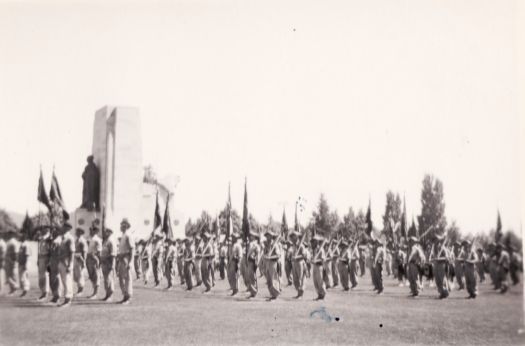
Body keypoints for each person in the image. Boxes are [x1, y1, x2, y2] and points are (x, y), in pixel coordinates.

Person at [117, 218, 135, 304]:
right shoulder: (123, 236)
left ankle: (128, 297)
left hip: (126, 259)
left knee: (127, 279)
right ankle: (124, 295)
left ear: (126, 226)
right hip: (121, 259)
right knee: (121, 279)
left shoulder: (128, 235)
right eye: (121, 224)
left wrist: (130, 262)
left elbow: (132, 249)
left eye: (123, 224)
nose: (121, 226)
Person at [58, 222, 75, 307]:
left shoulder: (69, 238)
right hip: (61, 261)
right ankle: (67, 299)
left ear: (68, 228)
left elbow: (72, 252)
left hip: (67, 262)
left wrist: (70, 264)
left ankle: (68, 300)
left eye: (64, 227)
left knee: (67, 280)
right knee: (64, 281)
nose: (62, 228)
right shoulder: (62, 238)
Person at [431, 234, 451, 299]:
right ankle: (441, 293)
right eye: (434, 240)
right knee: (437, 280)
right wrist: (433, 259)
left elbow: (447, 258)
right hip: (435, 264)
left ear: (439, 241)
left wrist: (439, 258)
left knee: (442, 279)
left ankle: (445, 292)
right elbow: (433, 257)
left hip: (441, 265)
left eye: (436, 240)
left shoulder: (442, 248)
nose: (435, 241)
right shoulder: (433, 248)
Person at [101, 227, 118, 302]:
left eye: (107, 232)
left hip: (109, 262)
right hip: (104, 262)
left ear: (110, 232)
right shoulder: (106, 241)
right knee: (106, 280)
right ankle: (107, 294)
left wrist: (111, 264)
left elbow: (113, 254)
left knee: (110, 279)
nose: (105, 233)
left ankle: (110, 295)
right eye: (105, 231)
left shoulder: (111, 241)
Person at [263, 229, 281, 301]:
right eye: (267, 236)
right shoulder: (266, 245)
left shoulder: (275, 245)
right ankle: (272, 294)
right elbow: (264, 253)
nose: (267, 237)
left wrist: (270, 257)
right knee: (268, 279)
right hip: (267, 263)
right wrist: (265, 256)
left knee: (273, 278)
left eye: (269, 236)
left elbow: (278, 255)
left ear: (271, 237)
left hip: (273, 263)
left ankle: (275, 294)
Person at [35, 226, 51, 300]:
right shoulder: (41, 237)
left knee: (45, 276)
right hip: (41, 257)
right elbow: (39, 249)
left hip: (46, 257)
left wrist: (49, 261)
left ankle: (45, 292)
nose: (44, 230)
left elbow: (50, 250)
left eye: (46, 229)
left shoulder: (49, 238)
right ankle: (43, 291)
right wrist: (38, 259)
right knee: (41, 276)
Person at [86, 225, 102, 299]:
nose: (90, 231)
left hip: (94, 258)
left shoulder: (97, 239)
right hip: (89, 258)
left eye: (92, 230)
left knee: (96, 276)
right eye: (90, 230)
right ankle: (93, 292)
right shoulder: (91, 239)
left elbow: (99, 251)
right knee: (91, 276)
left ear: (95, 231)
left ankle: (95, 293)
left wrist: (97, 260)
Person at [290, 231, 307, 299]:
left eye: (294, 237)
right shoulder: (293, 246)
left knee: (300, 278)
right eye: (292, 237)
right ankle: (298, 293)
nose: (292, 238)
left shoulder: (301, 246)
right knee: (295, 279)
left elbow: (304, 255)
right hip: (294, 263)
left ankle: (301, 294)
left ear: (297, 238)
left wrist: (296, 257)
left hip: (300, 263)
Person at [48, 226, 62, 303]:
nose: (53, 232)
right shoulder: (54, 240)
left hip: (57, 260)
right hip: (52, 260)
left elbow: (54, 250)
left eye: (54, 230)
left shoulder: (58, 240)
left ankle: (57, 296)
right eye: (52, 230)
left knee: (55, 278)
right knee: (52, 279)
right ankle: (55, 295)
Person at [311, 234, 327, 301]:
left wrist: (316, 260)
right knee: (315, 281)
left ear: (317, 242)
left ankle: (322, 295)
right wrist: (312, 260)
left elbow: (323, 259)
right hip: (315, 266)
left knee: (320, 281)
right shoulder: (314, 250)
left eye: (314, 241)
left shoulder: (321, 249)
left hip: (319, 267)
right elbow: (313, 258)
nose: (312, 242)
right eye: (312, 241)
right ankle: (319, 295)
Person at [246, 230, 261, 298]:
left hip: (253, 262)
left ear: (254, 237)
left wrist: (256, 262)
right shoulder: (250, 244)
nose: (250, 237)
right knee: (250, 276)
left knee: (253, 277)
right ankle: (252, 291)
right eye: (250, 236)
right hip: (249, 261)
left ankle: (254, 291)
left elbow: (257, 254)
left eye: (251, 236)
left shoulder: (255, 245)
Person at [5, 230, 20, 295]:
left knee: (13, 275)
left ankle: (15, 287)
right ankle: (12, 289)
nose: (8, 235)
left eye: (9, 234)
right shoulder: (8, 242)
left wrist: (14, 260)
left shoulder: (14, 242)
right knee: (8, 275)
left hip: (12, 259)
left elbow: (16, 252)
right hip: (8, 259)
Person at [73, 228, 87, 297]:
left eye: (78, 232)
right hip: (75, 258)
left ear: (81, 233)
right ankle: (78, 290)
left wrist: (83, 261)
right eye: (76, 231)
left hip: (80, 259)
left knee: (80, 275)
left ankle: (80, 291)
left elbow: (84, 252)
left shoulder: (82, 241)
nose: (76, 233)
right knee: (76, 275)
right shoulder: (76, 240)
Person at [17, 231, 31, 297]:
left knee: (24, 277)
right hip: (21, 263)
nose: (19, 237)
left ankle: (25, 290)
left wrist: (26, 264)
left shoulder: (26, 245)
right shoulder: (22, 244)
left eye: (21, 236)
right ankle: (24, 289)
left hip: (24, 263)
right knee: (21, 277)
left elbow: (27, 255)